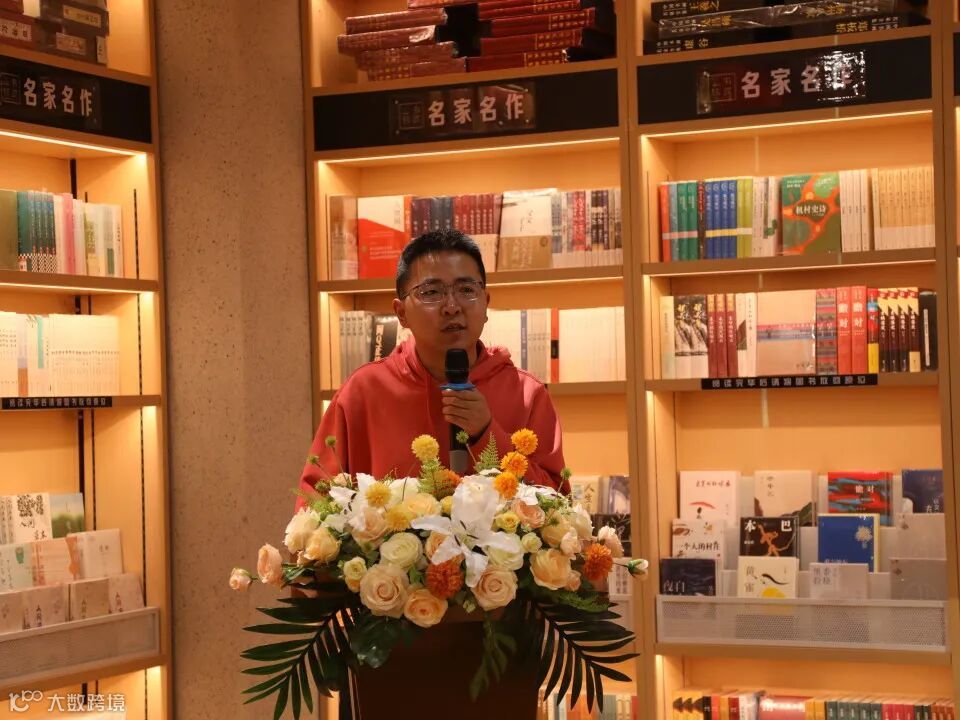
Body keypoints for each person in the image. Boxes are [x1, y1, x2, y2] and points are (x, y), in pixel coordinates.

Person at [297, 229, 568, 504]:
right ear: (401, 313)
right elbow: (316, 504)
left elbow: (558, 505)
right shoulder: (364, 390)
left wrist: (487, 433)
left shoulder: (526, 393)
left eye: (466, 290)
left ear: (485, 304)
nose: (452, 306)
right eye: (431, 292)